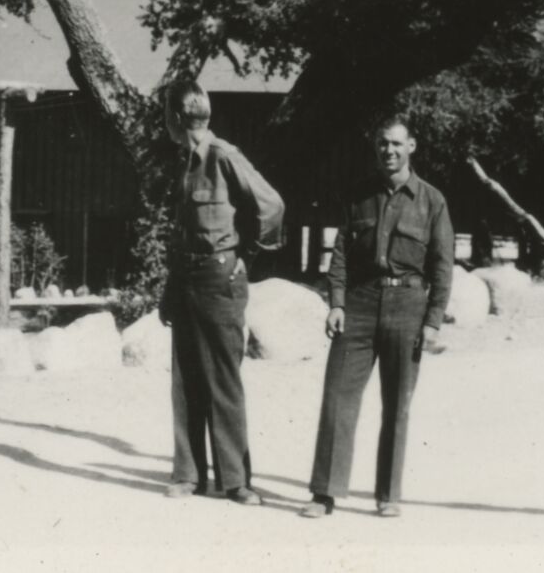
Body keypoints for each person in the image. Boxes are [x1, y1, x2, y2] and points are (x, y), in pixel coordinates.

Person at [300, 116, 454, 520]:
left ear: (412, 147)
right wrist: (336, 302)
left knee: (396, 403)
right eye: (383, 144)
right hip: (361, 302)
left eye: (397, 144)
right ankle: (324, 493)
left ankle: (388, 494)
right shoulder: (358, 196)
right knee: (338, 397)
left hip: (408, 306)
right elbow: (341, 255)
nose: (389, 151)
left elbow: (441, 265)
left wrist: (433, 321)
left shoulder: (432, 201)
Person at [159, 81, 285, 506]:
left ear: (176, 119)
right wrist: (168, 290)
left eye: (166, 117)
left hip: (220, 278)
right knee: (186, 379)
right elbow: (180, 233)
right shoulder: (182, 162)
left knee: (224, 379)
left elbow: (271, 206)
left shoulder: (223, 156)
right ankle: (188, 475)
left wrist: (249, 256)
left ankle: (236, 481)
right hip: (188, 278)